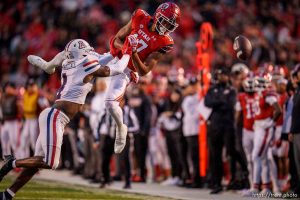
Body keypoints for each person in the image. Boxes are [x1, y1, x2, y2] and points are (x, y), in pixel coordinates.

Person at [0, 38, 137, 200]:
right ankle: (12, 163)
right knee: (51, 162)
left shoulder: (69, 62)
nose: (92, 53)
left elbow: (105, 56)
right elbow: (115, 68)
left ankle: (8, 194)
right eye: (88, 51)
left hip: (53, 115)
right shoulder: (86, 65)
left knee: (37, 162)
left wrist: (121, 51)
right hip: (56, 117)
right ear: (83, 54)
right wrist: (128, 52)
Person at [105, 2, 180, 154]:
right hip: (113, 58)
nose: (166, 27)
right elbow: (116, 39)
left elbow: (144, 70)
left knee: (110, 104)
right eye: (165, 21)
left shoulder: (164, 42)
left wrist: (133, 53)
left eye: (170, 25)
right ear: (158, 15)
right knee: (81, 64)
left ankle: (121, 129)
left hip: (127, 69)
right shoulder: (140, 17)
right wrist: (126, 48)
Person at [205, 68, 247, 194]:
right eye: (220, 75)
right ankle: (217, 183)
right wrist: (221, 101)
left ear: (227, 77)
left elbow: (230, 104)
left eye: (224, 75)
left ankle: (243, 171)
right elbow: (207, 102)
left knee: (231, 151)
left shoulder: (232, 90)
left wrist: (217, 102)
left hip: (228, 125)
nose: (221, 77)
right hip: (215, 126)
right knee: (215, 155)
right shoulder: (212, 89)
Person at [243, 72, 282, 196]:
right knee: (263, 158)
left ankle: (256, 187)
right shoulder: (258, 94)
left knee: (256, 156)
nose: (255, 84)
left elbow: (278, 110)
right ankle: (266, 188)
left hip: (265, 128)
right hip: (258, 127)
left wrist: (271, 122)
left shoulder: (267, 94)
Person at [235, 75, 258, 188]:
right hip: (247, 130)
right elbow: (238, 115)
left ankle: (263, 185)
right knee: (249, 159)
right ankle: (252, 185)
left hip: (258, 129)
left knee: (257, 158)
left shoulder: (260, 95)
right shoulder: (241, 96)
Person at [20, 78, 49, 158]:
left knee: (34, 142)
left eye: (33, 85)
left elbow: (45, 107)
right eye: (30, 85)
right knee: (23, 141)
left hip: (34, 120)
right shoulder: (25, 94)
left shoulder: (39, 95)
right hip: (27, 120)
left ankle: (36, 162)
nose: (31, 87)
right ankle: (24, 161)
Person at [181, 77, 202, 188]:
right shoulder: (187, 98)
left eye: (195, 85)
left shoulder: (200, 97)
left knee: (196, 157)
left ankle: (198, 179)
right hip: (188, 131)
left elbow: (197, 114)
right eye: (191, 85)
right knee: (191, 157)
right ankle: (193, 178)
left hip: (196, 130)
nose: (193, 88)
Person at [290, 64, 300, 196]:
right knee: (298, 162)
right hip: (296, 130)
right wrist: (291, 130)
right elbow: (295, 113)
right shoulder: (297, 91)